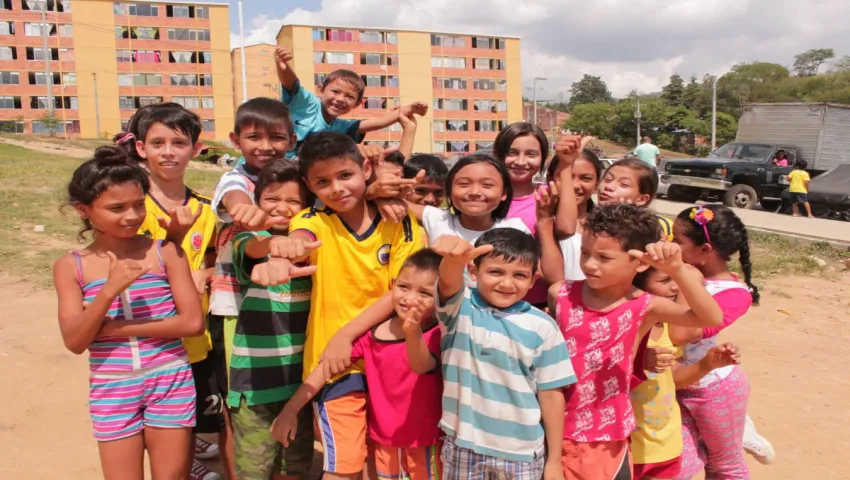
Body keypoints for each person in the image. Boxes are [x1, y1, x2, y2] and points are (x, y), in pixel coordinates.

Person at [268, 131, 425, 480]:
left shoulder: (401, 224)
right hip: (336, 366)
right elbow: (300, 238)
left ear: (365, 169)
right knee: (344, 466)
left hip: (390, 361)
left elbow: (403, 290)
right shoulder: (312, 220)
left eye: (345, 176)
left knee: (384, 461)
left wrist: (347, 334)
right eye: (323, 182)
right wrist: (287, 249)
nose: (337, 188)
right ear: (309, 185)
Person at [53, 146, 204, 479]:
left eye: (139, 205)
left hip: (170, 379)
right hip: (112, 387)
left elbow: (192, 323)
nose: (132, 216)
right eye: (116, 208)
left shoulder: (166, 251)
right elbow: (76, 341)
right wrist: (109, 290)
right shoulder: (70, 267)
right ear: (84, 211)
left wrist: (112, 330)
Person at [549, 203, 724, 480]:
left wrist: (677, 270)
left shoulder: (644, 306)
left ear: (641, 262)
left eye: (604, 257)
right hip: (552, 424)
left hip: (606, 437)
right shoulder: (560, 294)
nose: (589, 264)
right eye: (585, 253)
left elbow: (711, 318)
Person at [271, 249, 445, 480]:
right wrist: (290, 409)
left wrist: (413, 333)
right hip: (385, 443)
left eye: (424, 293)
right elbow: (326, 369)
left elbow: (421, 364)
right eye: (403, 287)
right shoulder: (373, 336)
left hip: (426, 442)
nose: (410, 298)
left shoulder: (439, 335)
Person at [125, 104, 224, 480]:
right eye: (158, 142)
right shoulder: (130, 210)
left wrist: (205, 271)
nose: (168, 151)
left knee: (192, 411)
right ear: (140, 148)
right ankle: (186, 459)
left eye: (179, 142)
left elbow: (215, 258)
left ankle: (188, 450)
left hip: (195, 339)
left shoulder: (206, 210)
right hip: (147, 338)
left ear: (195, 150)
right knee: (152, 416)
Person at [432, 229, 577, 480]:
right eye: (495, 272)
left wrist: (554, 461)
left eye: (519, 275)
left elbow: (551, 395)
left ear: (533, 280)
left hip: (521, 454)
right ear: (473, 272)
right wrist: (452, 260)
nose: (506, 283)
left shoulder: (543, 326)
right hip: (463, 446)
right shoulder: (459, 309)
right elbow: (447, 282)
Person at [208, 97, 297, 480]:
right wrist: (246, 209)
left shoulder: (291, 179)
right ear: (235, 140)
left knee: (283, 392)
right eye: (254, 136)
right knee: (241, 403)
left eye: (276, 137)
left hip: (282, 305)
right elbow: (234, 198)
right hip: (235, 308)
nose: (265, 145)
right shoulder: (237, 178)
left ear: (292, 139)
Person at [670, 205, 775, 478]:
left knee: (724, 466)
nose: (669, 245)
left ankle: (740, 433)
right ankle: (740, 432)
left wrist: (684, 278)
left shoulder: (734, 295)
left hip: (713, 390)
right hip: (675, 384)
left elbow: (679, 334)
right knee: (679, 462)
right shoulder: (679, 272)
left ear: (705, 251)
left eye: (677, 241)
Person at [228, 160, 318, 479]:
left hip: (302, 386)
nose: (282, 208)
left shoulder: (315, 248)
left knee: (294, 466)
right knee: (255, 469)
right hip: (254, 386)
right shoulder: (246, 241)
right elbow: (253, 248)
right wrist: (275, 244)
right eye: (272, 199)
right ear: (257, 202)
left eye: (294, 201)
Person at [630, 267, 744, 480]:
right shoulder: (625, 324)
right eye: (665, 280)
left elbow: (672, 378)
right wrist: (639, 360)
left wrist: (706, 365)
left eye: (675, 279)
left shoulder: (664, 326)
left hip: (664, 442)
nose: (675, 287)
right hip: (629, 442)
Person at [274, 47, 428, 157]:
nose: (340, 99)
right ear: (320, 90)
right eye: (335, 91)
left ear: (357, 104)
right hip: (271, 164)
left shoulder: (342, 126)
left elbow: (379, 122)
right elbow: (291, 83)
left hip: (301, 174)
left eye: (349, 97)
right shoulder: (307, 103)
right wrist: (283, 65)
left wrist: (410, 109)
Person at [492, 123, 583, 307]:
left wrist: (566, 164)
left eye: (531, 154)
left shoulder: (546, 196)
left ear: (543, 158)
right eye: (512, 153)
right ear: (497, 154)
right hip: (487, 303)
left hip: (535, 305)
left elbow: (566, 228)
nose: (520, 161)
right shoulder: (485, 196)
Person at [546, 148, 605, 281]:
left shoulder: (607, 225)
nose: (574, 185)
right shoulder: (542, 219)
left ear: (597, 184)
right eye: (565, 176)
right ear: (549, 178)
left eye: (585, 178)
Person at [597, 157, 674, 240]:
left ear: (642, 199)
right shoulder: (587, 220)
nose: (609, 187)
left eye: (624, 184)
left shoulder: (659, 228)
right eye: (608, 179)